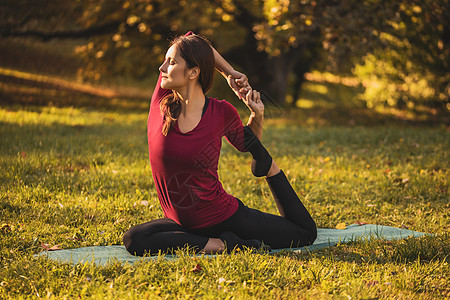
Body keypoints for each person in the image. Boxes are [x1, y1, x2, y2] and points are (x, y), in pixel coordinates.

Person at [123, 31, 317, 256]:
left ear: (193, 72)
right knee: (134, 239)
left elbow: (248, 144)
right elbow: (193, 39)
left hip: (224, 216)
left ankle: (271, 168)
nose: (162, 67)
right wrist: (230, 72)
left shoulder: (221, 111)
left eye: (172, 62)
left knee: (304, 234)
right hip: (182, 223)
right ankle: (222, 245)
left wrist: (257, 115)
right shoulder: (161, 104)